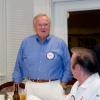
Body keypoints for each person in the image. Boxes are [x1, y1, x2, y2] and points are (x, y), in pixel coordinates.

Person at [12, 14, 72, 100]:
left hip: (53, 87)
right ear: (34, 27)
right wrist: (16, 82)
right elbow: (19, 65)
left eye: (46, 24)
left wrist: (63, 83)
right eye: (39, 25)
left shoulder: (60, 43)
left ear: (49, 26)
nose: (43, 27)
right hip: (31, 87)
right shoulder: (26, 43)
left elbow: (68, 65)